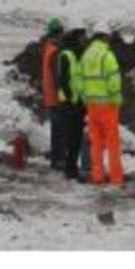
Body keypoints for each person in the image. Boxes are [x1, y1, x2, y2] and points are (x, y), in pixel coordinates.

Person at [80, 26, 124, 187]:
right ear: (105, 38)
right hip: (108, 106)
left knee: (96, 143)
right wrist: (117, 99)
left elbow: (81, 80)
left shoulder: (86, 56)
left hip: (92, 106)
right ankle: (116, 178)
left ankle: (97, 176)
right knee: (112, 143)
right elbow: (114, 81)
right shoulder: (107, 56)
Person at [57, 28, 87, 180]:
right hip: (69, 104)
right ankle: (69, 170)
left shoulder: (79, 53)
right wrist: (71, 100)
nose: (85, 39)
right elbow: (63, 81)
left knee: (77, 137)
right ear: (76, 38)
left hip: (78, 103)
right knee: (72, 137)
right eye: (82, 37)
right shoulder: (66, 54)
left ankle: (72, 168)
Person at [41, 18, 65, 169]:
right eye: (62, 33)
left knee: (56, 132)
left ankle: (55, 161)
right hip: (56, 98)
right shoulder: (55, 52)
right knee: (60, 132)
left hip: (50, 98)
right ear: (58, 33)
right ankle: (59, 161)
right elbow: (58, 77)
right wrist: (63, 96)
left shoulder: (48, 48)